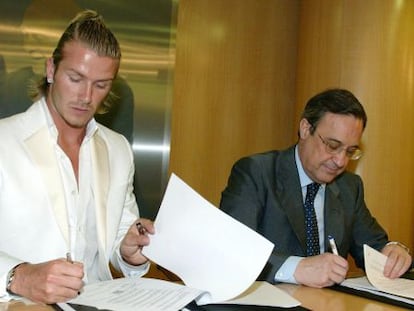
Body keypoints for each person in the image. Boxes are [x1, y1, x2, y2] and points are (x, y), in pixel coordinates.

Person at [0, 10, 154, 304]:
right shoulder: (3, 141)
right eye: (75, 78)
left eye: (101, 85)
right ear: (51, 70)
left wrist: (128, 251)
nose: (86, 96)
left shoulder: (118, 149)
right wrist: (17, 276)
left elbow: (121, 231)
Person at [220, 88, 412, 288]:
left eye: (350, 151)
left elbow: (374, 249)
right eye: (332, 145)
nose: (340, 161)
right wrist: (297, 268)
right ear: (305, 128)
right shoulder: (257, 173)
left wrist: (393, 253)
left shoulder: (349, 187)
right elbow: (232, 247)